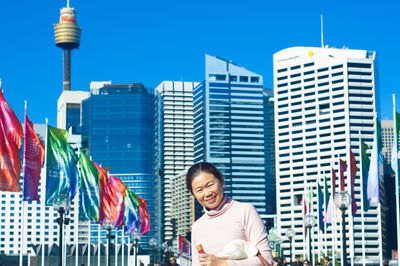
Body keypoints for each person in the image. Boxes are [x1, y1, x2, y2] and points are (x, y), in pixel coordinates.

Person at [187, 162, 273, 266]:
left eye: (210, 185)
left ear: (221, 180)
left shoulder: (245, 211)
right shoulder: (197, 227)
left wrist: (223, 264)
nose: (207, 193)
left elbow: (267, 260)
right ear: (193, 194)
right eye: (199, 190)